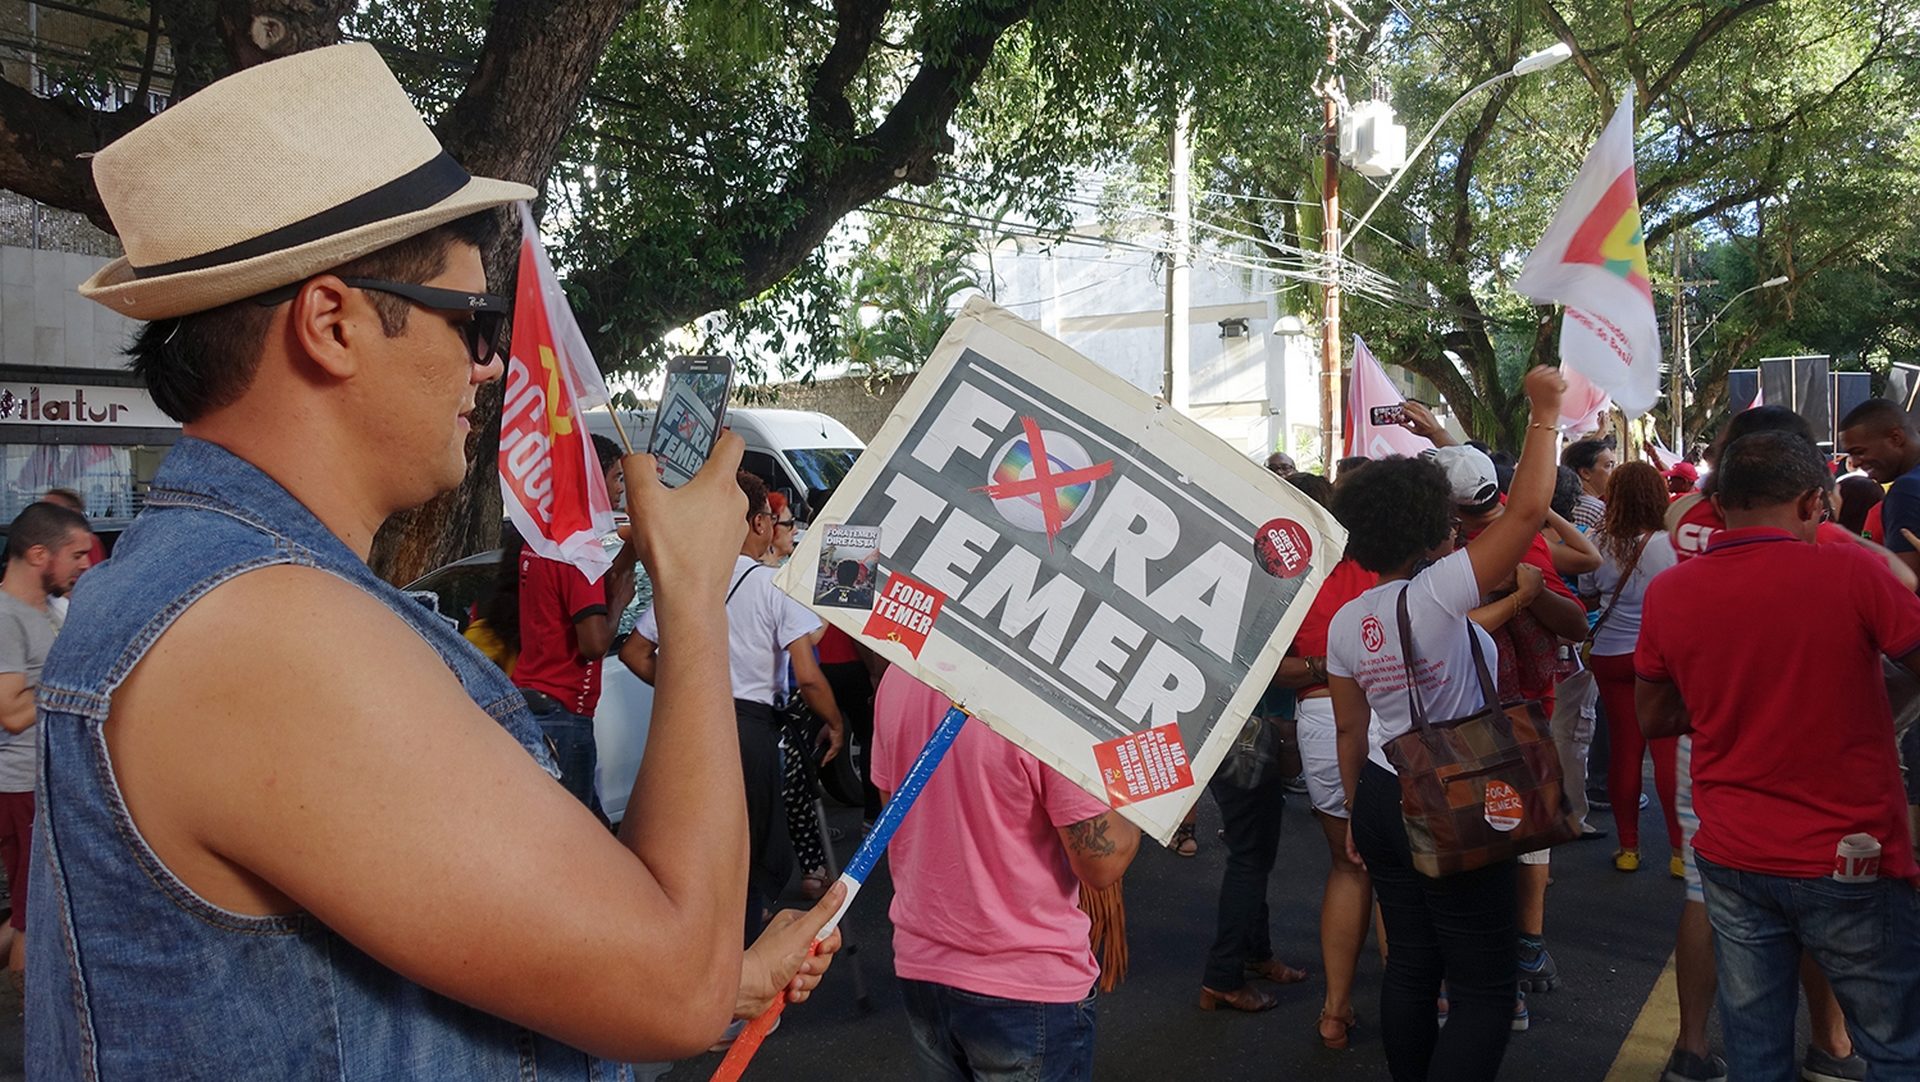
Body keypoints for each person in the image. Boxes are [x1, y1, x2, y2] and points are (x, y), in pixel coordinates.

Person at [36, 44, 839, 1078]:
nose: (491, 362)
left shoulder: (229, 592)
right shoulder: (265, 629)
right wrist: (689, 592)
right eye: (471, 320)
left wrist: (712, 974)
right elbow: (674, 987)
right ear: (331, 323)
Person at [1638, 430, 1920, 1081]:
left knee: (1756, 1046)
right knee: (1896, 1045)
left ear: (1722, 501)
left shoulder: (1672, 592)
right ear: (1811, 502)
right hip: (1849, 852)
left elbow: (1653, 716)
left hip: (1734, 850)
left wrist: (1728, 700)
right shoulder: (1850, 570)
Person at [1327, 365, 1565, 1082]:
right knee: (1484, 983)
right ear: (1435, 526)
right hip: (1458, 790)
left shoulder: (1346, 620)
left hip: (1379, 792)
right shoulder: (1439, 592)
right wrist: (1545, 413)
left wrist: (1350, 821)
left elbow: (1349, 731)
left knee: (1410, 965)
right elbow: (1524, 515)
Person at [872, 666, 1140, 1082]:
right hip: (1023, 983)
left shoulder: (901, 671)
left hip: (922, 964)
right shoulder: (1041, 693)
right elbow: (1102, 863)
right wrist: (1144, 792)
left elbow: (894, 813)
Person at [624, 470, 846, 946]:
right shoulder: (772, 585)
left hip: (692, 725)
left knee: (700, 852)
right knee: (750, 855)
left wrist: (690, 688)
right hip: (750, 731)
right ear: (757, 524)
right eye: (768, 516)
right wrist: (834, 721)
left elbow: (635, 653)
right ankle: (736, 967)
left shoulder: (693, 581)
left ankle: (703, 956)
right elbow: (806, 675)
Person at [1273, 474, 1377, 1049]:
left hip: (1319, 720)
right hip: (1387, 715)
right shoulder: (1390, 570)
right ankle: (1417, 999)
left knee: (1347, 864)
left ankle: (1335, 1011)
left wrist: (1319, 666)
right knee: (1399, 869)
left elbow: (1277, 669)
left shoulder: (1291, 580)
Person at [514, 433, 636, 818]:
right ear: (594, 481)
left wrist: (632, 548)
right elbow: (594, 643)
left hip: (537, 705)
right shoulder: (579, 549)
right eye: (617, 478)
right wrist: (617, 605)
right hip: (566, 715)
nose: (621, 490)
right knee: (579, 839)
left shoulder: (543, 539)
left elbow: (591, 588)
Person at [0, 502, 90, 1000]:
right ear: (39, 554)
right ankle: (23, 1021)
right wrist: (73, 677)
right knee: (35, 920)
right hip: (22, 787)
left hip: (46, 782)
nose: (85, 563)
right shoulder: (5, 618)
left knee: (28, 910)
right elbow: (11, 712)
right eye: (75, 554)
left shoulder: (48, 610)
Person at [1579, 462, 1682, 876]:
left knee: (1625, 748)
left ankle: (1629, 849)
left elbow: (1587, 592)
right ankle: (1680, 854)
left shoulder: (1599, 540)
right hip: (1661, 658)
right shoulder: (1673, 543)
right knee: (1667, 753)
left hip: (1611, 656)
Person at [1838, 398, 1920, 582]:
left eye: (1859, 451)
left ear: (1895, 438)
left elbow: (1903, 586)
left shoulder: (1906, 490)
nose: (1855, 462)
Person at [1564, 438, 1616, 531]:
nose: (1614, 472)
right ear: (1585, 473)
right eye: (1608, 465)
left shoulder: (1560, 504)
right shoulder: (1599, 511)